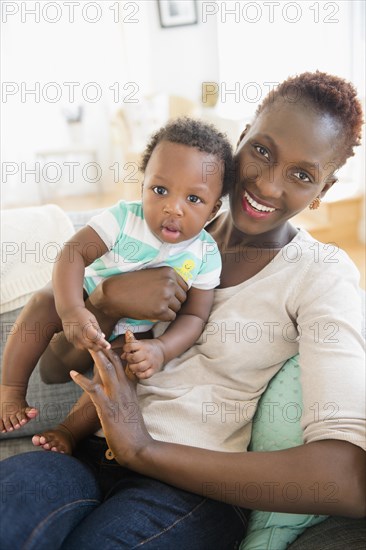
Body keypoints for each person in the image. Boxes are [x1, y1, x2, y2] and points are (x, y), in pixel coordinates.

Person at [0, 71, 365, 550]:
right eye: (261, 151)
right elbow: (52, 370)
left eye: (302, 175)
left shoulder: (321, 273)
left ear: (323, 189)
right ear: (239, 142)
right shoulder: (166, 226)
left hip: (188, 490)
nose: (269, 185)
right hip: (82, 446)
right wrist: (106, 306)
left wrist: (144, 450)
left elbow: (347, 477)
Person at [0, 118, 234, 434]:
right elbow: (74, 254)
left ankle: (68, 432)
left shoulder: (206, 256)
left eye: (193, 199)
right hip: (85, 295)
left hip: (134, 332)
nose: (173, 208)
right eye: (160, 190)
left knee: (126, 371)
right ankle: (11, 391)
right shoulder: (125, 218)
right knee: (44, 300)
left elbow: (194, 315)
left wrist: (162, 348)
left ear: (213, 210)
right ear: (143, 187)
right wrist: (72, 311)